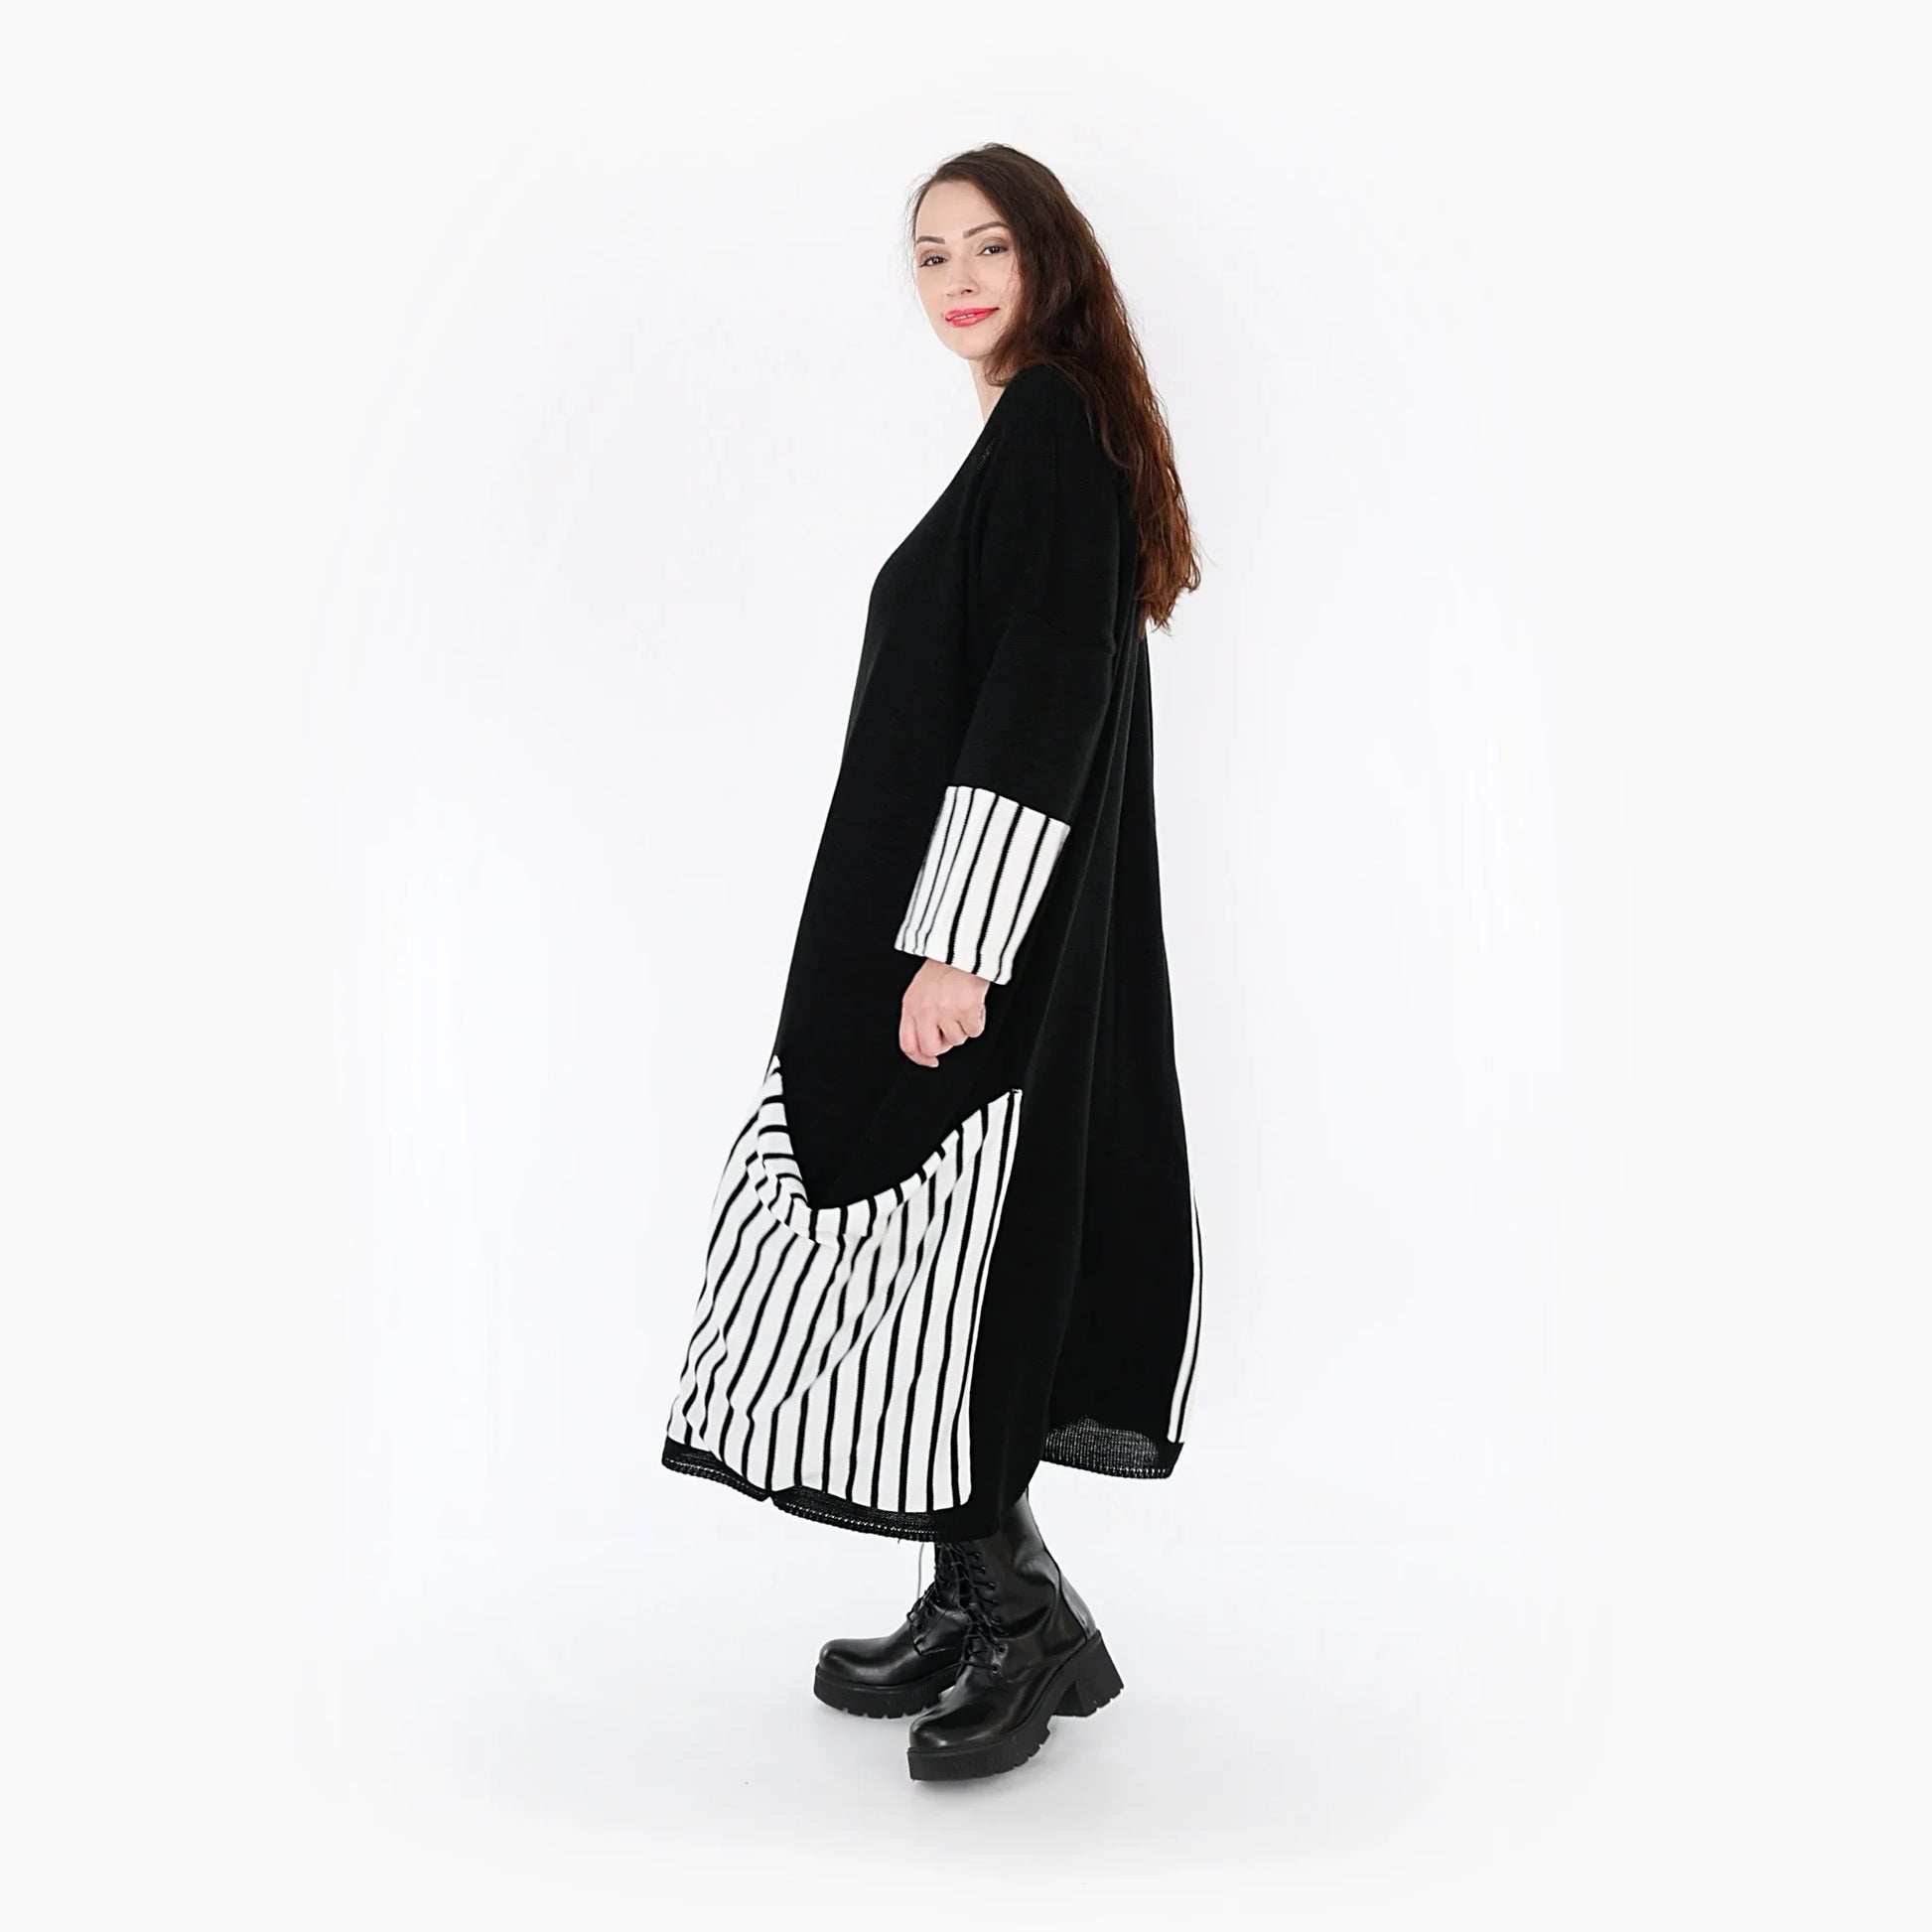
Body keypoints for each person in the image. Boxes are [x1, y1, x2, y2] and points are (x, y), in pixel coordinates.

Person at [661, 143, 1204, 1781]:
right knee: (941, 1264)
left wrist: (957, 947)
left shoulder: (1048, 427)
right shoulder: (1039, 433)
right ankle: (977, 1591)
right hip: (918, 923)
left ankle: (1018, 1619)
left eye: (986, 247)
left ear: (1049, 258)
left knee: (943, 1253)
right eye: (927, 255)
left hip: (959, 942)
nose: (956, 279)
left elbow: (1044, 689)